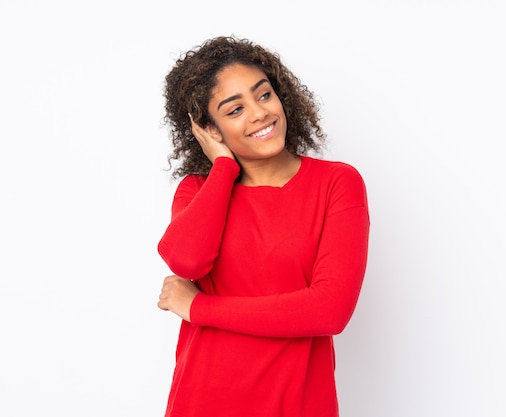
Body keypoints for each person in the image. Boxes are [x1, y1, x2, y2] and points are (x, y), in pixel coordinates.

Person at [156, 35, 370, 417]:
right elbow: (187, 263)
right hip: (203, 401)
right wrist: (222, 168)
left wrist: (199, 308)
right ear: (210, 129)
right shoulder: (198, 190)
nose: (259, 113)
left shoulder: (336, 183)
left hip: (298, 403)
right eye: (234, 110)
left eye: (264, 95)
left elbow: (329, 310)